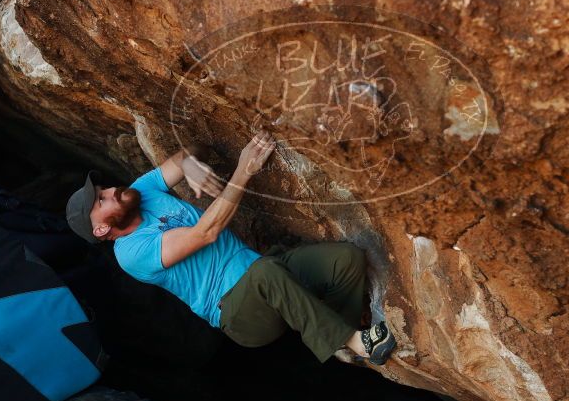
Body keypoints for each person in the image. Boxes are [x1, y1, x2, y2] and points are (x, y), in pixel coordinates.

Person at [65, 131, 396, 365]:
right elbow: (205, 233)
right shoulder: (131, 254)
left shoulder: (142, 190)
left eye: (103, 187)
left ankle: (341, 336)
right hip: (239, 315)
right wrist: (244, 171)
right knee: (265, 272)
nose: (110, 190)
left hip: (266, 272)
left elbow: (192, 149)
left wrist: (189, 163)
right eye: (101, 199)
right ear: (102, 228)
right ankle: (353, 341)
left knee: (346, 260)